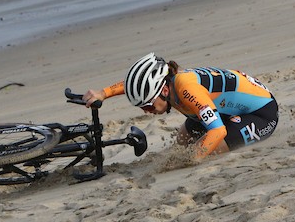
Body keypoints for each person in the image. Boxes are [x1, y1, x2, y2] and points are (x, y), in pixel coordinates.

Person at [83, 53, 278, 159]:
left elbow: (218, 131)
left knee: (198, 154)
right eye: (142, 107)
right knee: (183, 143)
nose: (146, 111)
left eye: (148, 105)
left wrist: (193, 159)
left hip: (262, 113)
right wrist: (103, 93)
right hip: (224, 108)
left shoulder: (187, 91)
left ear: (164, 91)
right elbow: (134, 84)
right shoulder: (167, 84)